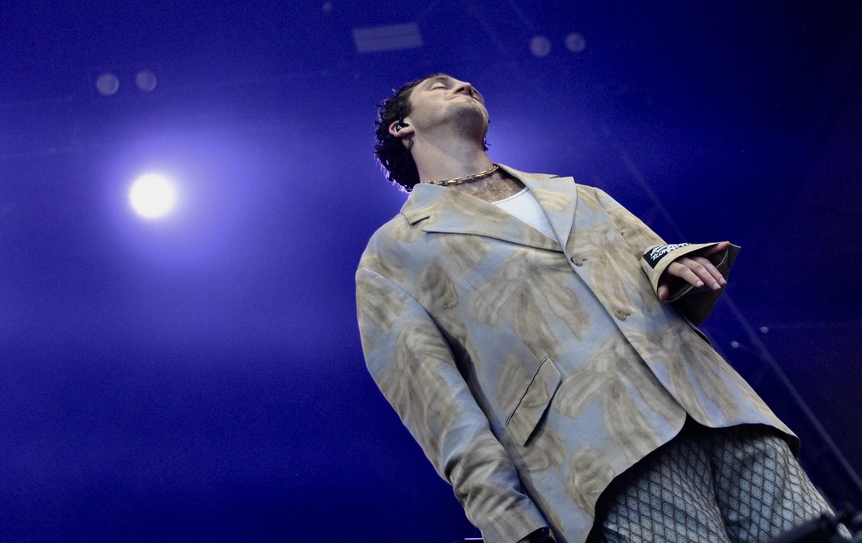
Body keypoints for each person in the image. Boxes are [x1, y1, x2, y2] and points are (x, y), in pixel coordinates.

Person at [355, 74, 836, 543]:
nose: (462, 85)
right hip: (597, 451)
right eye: (439, 85)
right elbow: (439, 408)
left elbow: (654, 260)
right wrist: (508, 522)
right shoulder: (393, 252)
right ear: (403, 127)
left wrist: (670, 266)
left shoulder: (579, 195)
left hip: (717, 406)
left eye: (465, 82)